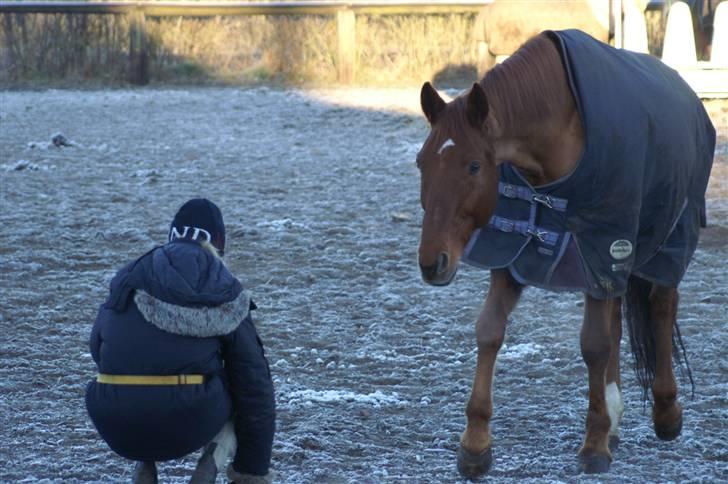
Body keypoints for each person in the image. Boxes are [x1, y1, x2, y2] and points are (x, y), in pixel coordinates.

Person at [85, 198, 275, 483]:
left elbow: (98, 348)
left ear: (173, 234)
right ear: (218, 241)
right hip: (189, 419)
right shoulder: (221, 284)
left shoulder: (131, 275)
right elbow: (254, 381)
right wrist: (252, 470)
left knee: (140, 365)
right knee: (236, 379)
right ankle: (210, 463)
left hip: (115, 421)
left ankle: (144, 466)